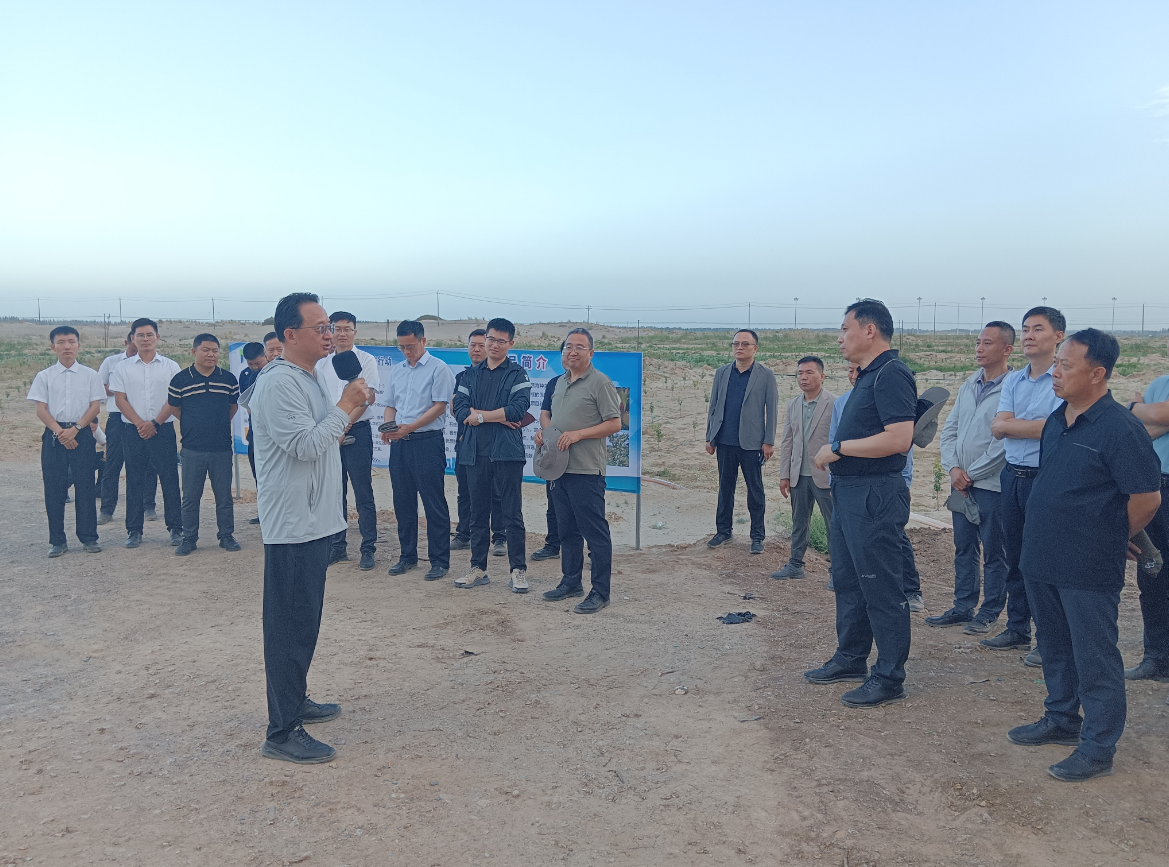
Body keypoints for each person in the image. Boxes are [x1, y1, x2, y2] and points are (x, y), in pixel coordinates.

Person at [1008, 329, 1161, 782]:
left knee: (1094, 655)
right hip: (1042, 554)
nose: (1055, 373)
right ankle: (1061, 717)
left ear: (1097, 374)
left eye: (1066, 365)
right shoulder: (1058, 419)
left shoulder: (1121, 429)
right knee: (1055, 645)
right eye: (1056, 364)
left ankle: (1097, 746)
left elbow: (1147, 498)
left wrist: (1110, 535)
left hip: (1088, 563)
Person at [243, 292, 373, 764]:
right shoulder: (279, 383)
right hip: (294, 524)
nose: (329, 335)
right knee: (289, 628)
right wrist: (345, 406)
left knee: (305, 622)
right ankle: (281, 732)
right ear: (289, 335)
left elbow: (323, 437)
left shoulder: (310, 376)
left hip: (315, 519)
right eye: (319, 328)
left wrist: (345, 412)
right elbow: (303, 445)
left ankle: (295, 701)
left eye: (330, 327)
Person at [805, 299, 918, 709]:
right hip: (851, 493)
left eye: (845, 328)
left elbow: (899, 438)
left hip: (875, 494)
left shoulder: (892, 373)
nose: (840, 338)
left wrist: (838, 448)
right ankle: (851, 657)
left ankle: (888, 676)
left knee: (879, 584)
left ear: (869, 330)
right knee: (849, 580)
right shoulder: (869, 376)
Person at [984, 306, 1065, 665]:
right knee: (1014, 556)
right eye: (1026, 329)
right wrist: (1022, 426)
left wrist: (1013, 425)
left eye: (1038, 329)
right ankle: (1018, 628)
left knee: (1044, 560)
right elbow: (997, 425)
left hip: (1045, 477)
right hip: (1012, 475)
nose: (1029, 335)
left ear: (1058, 336)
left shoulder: (1063, 378)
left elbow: (1055, 428)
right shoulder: (1014, 380)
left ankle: (1051, 640)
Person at [928, 322, 1015, 631]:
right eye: (978, 342)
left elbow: (1004, 442)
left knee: (995, 552)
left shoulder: (1014, 387)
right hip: (961, 484)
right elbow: (950, 430)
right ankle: (963, 605)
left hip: (991, 485)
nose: (979, 348)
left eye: (987, 343)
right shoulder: (969, 383)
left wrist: (971, 474)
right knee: (964, 547)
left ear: (1007, 349)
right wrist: (953, 469)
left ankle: (989, 611)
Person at [536, 329, 623, 612]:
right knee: (567, 529)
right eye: (568, 347)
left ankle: (600, 592)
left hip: (585, 470)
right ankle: (571, 581)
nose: (572, 352)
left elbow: (614, 423)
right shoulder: (559, 382)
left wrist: (578, 435)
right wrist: (545, 434)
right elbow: (549, 417)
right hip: (558, 468)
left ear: (591, 353)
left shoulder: (600, 383)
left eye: (579, 347)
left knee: (595, 533)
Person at [452, 317, 532, 590]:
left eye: (501, 341)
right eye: (491, 339)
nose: (494, 345)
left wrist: (480, 416)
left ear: (511, 343)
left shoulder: (517, 374)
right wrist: (495, 415)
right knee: (477, 513)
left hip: (506, 453)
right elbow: (460, 410)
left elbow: (517, 410)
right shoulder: (469, 375)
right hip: (474, 453)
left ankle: (518, 570)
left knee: (512, 514)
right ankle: (478, 568)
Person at [382, 320, 456, 580]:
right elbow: (390, 405)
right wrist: (389, 427)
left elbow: (439, 407)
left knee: (433, 502)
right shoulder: (398, 370)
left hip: (427, 442)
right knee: (402, 502)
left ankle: (439, 560)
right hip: (400, 444)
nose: (407, 351)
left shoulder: (439, 369)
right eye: (402, 347)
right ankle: (407, 556)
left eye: (411, 346)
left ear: (423, 341)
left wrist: (410, 427)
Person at [27, 326, 107, 557]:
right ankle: (57, 541)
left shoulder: (90, 375)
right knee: (54, 489)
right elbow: (41, 410)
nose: (67, 347)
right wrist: (61, 433)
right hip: (55, 434)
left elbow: (95, 407)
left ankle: (89, 537)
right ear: (53, 347)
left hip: (82, 432)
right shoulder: (44, 376)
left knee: (85, 487)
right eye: (61, 342)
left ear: (78, 345)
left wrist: (76, 429)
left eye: (71, 342)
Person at [109, 318, 183, 548]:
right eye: (140, 335)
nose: (145, 339)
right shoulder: (122, 367)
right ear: (133, 339)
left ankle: (176, 528)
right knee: (134, 480)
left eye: (150, 335)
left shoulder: (171, 366)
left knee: (170, 479)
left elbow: (174, 399)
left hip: (163, 430)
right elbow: (120, 399)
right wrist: (141, 423)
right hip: (133, 431)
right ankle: (134, 530)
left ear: (157, 337)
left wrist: (155, 423)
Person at [316, 312, 381, 571]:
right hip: (328, 432)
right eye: (337, 328)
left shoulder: (365, 360)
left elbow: (366, 399)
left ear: (355, 332)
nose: (342, 333)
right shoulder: (322, 363)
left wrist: (343, 426)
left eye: (347, 329)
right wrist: (332, 430)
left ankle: (368, 548)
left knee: (362, 492)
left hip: (356, 431)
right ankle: (337, 546)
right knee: (335, 492)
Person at [704, 329, 779, 554]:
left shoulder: (766, 375)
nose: (739, 348)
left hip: (752, 443)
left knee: (755, 490)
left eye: (745, 344)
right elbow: (713, 406)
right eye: (736, 343)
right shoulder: (722, 373)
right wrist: (710, 436)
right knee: (725, 488)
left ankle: (757, 536)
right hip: (724, 440)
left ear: (755, 348)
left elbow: (772, 410)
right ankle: (723, 531)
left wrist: (769, 441)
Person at [168, 334, 241, 556]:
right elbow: (175, 409)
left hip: (221, 448)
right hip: (192, 449)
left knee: (224, 497)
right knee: (190, 498)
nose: (211, 354)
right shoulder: (180, 380)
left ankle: (226, 535)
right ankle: (189, 538)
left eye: (215, 350)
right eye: (206, 350)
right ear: (194, 352)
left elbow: (232, 408)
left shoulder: (228, 379)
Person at [1126, 337, 1169, 686]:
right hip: (1156, 486)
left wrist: (1136, 406)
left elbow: (1156, 417)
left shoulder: (1151, 393)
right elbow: (1141, 432)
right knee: (1152, 572)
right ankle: (1156, 657)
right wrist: (1150, 414)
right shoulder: (1160, 384)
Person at [773, 356, 835, 580]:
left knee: (833, 524)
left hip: (826, 475)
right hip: (799, 474)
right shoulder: (793, 404)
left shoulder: (834, 403)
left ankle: (837, 571)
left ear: (822, 376)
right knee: (799, 523)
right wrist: (785, 475)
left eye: (809, 372)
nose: (803, 377)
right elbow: (787, 442)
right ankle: (795, 564)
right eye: (800, 373)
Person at [451, 329, 506, 553]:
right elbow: (457, 409)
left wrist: (478, 414)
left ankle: (500, 537)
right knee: (465, 491)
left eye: (481, 345)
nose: (476, 349)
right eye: (472, 345)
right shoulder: (462, 377)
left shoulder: (502, 376)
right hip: (466, 442)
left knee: (496, 492)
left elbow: (505, 412)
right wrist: (479, 414)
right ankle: (464, 533)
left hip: (494, 444)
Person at [97, 332, 159, 524]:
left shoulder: (153, 364)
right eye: (134, 341)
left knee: (149, 464)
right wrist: (119, 387)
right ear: (128, 341)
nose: (138, 344)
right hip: (118, 418)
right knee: (112, 463)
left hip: (144, 420)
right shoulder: (112, 362)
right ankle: (107, 509)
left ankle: (148, 505)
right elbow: (99, 388)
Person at [531, 341, 571, 563]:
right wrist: (548, 435)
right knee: (554, 501)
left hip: (580, 453)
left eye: (575, 350)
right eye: (565, 352)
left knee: (584, 506)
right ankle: (553, 544)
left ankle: (593, 550)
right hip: (555, 453)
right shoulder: (554, 383)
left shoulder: (595, 384)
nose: (569, 356)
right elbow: (545, 413)